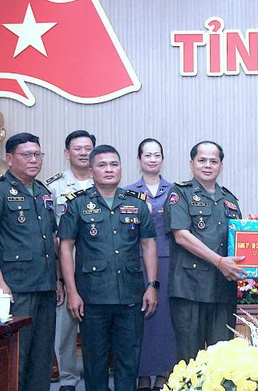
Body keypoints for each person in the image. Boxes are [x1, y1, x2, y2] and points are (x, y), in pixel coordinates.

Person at [58, 144, 159, 391]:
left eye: (114, 164)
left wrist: (152, 285)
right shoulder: (77, 204)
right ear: (91, 170)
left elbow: (148, 245)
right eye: (102, 165)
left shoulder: (137, 204)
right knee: (94, 362)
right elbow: (65, 248)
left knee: (128, 361)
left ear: (122, 169)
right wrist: (72, 291)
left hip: (131, 295)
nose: (109, 169)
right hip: (92, 297)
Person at [0, 133, 59, 391]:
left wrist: (58, 281)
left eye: (37, 154)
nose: (33, 160)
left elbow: (52, 240)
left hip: (44, 286)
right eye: (26, 155)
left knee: (42, 357)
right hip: (14, 289)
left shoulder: (44, 192)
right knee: (15, 357)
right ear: (10, 158)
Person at [164, 141, 245, 363]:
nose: (207, 165)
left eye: (213, 161)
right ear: (191, 164)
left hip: (222, 290)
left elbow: (239, 242)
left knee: (223, 360)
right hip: (190, 289)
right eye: (202, 160)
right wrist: (219, 261)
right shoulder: (179, 193)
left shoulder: (230, 200)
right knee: (190, 359)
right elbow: (181, 235)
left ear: (221, 166)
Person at [46, 130, 96, 391]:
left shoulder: (105, 182)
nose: (83, 152)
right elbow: (50, 235)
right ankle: (68, 379)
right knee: (64, 327)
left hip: (99, 265)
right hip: (65, 261)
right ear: (67, 153)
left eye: (88, 148)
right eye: (78, 148)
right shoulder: (53, 187)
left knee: (96, 325)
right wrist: (59, 278)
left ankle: (95, 377)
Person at [125, 138, 176, 391]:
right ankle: (142, 374)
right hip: (137, 262)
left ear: (162, 159)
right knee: (141, 317)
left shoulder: (176, 191)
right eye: (147, 155)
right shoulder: (127, 192)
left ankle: (164, 372)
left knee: (165, 319)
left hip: (168, 261)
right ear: (139, 160)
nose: (153, 159)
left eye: (157, 155)